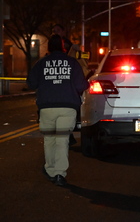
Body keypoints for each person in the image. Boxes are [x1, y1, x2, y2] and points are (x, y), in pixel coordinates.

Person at [27, 34, 89, 186]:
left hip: (47, 107)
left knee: (49, 140)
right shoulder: (72, 63)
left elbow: (31, 83)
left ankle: (50, 169)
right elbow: (81, 86)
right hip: (67, 107)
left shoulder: (41, 63)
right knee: (62, 140)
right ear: (64, 48)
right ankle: (60, 174)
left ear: (48, 48)